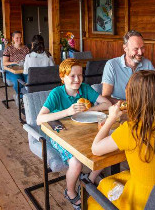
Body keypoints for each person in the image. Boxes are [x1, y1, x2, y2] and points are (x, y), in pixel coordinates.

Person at [89, 70, 155, 210]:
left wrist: (111, 119)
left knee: (104, 184)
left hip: (141, 202)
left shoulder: (130, 130)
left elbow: (96, 148)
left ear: (132, 97)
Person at [37, 58, 112, 210]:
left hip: (84, 132)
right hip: (62, 135)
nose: (77, 79)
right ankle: (70, 192)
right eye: (72, 76)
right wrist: (68, 112)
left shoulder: (84, 88)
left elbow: (107, 104)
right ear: (62, 77)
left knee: (106, 151)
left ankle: (87, 182)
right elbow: (39, 119)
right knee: (76, 163)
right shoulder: (57, 93)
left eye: (80, 75)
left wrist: (87, 110)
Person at [102, 30, 155, 103]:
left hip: (143, 107)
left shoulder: (148, 64)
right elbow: (105, 97)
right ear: (125, 48)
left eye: (142, 48)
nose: (140, 52)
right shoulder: (111, 65)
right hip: (120, 109)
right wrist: (130, 104)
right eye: (136, 49)